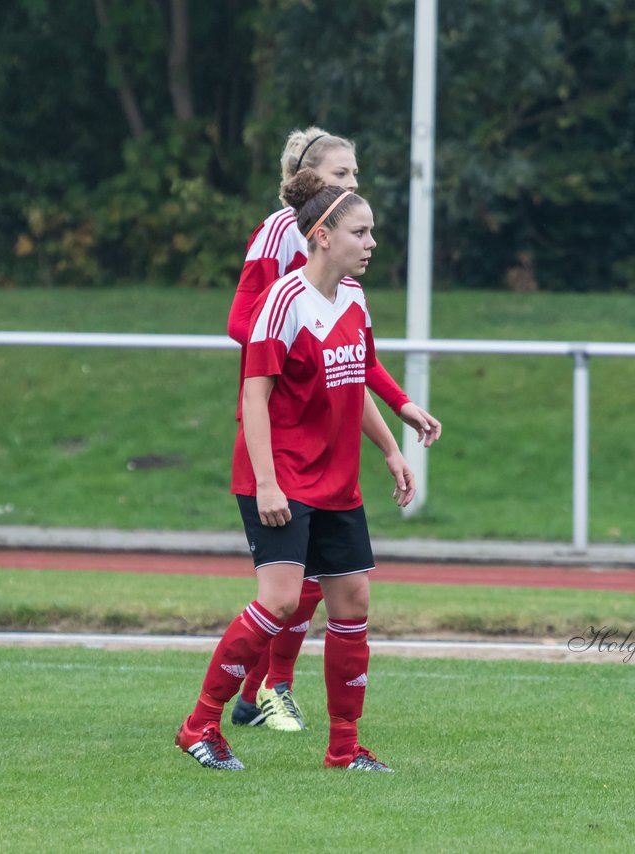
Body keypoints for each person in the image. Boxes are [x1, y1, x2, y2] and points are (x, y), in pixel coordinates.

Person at [176, 171, 407, 771]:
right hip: (277, 478)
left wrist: (390, 448)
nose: (371, 243)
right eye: (361, 231)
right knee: (278, 602)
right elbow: (254, 397)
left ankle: (344, 748)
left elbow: (354, 385)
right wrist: (270, 481)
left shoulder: (354, 298)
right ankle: (201, 724)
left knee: (352, 604)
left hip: (337, 483)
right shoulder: (282, 300)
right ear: (323, 235)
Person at [226, 127, 442, 732]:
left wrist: (396, 412)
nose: (352, 186)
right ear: (306, 178)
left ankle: (271, 692)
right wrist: (293, 356)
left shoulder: (350, 284)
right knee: (287, 591)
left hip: (330, 420)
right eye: (340, 176)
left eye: (355, 175)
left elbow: (357, 358)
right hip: (286, 421)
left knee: (329, 586)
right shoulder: (279, 236)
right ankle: (247, 698)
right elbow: (245, 322)